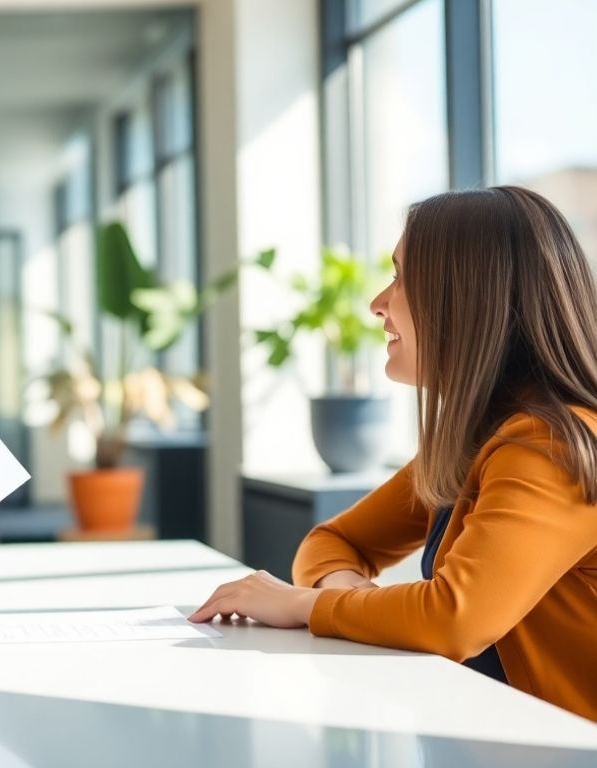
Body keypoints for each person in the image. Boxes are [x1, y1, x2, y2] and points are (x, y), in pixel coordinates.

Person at [190, 186, 597, 720]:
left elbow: (455, 618)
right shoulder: (479, 442)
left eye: (402, 278)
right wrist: (350, 595)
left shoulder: (548, 447)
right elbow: (332, 541)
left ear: (466, 300)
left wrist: (303, 604)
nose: (378, 303)